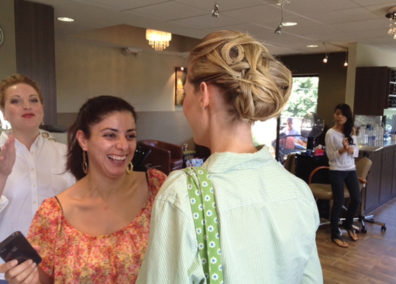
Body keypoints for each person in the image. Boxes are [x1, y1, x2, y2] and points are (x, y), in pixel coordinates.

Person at [137, 30, 323, 283]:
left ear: (203, 94)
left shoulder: (183, 195)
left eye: (186, 91)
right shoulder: (298, 190)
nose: (185, 104)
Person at [0, 96, 167, 283]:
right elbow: (41, 280)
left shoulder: (156, 187)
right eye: (110, 135)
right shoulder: (54, 214)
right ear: (83, 140)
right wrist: (24, 279)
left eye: (130, 135)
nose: (123, 145)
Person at [0, 74, 75, 279]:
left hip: (56, 267)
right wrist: (2, 175)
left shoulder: (65, 153)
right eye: (16, 101)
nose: (27, 106)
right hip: (9, 270)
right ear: (4, 113)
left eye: (33, 100)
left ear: (42, 108)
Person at [325, 103, 360, 248]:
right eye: (337, 113)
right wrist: (342, 150)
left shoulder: (351, 131)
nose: (339, 117)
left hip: (351, 169)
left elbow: (356, 152)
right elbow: (330, 157)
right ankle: (335, 234)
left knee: (357, 200)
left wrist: (350, 149)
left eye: (342, 114)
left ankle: (347, 224)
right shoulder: (330, 134)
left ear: (347, 117)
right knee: (339, 201)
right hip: (336, 171)